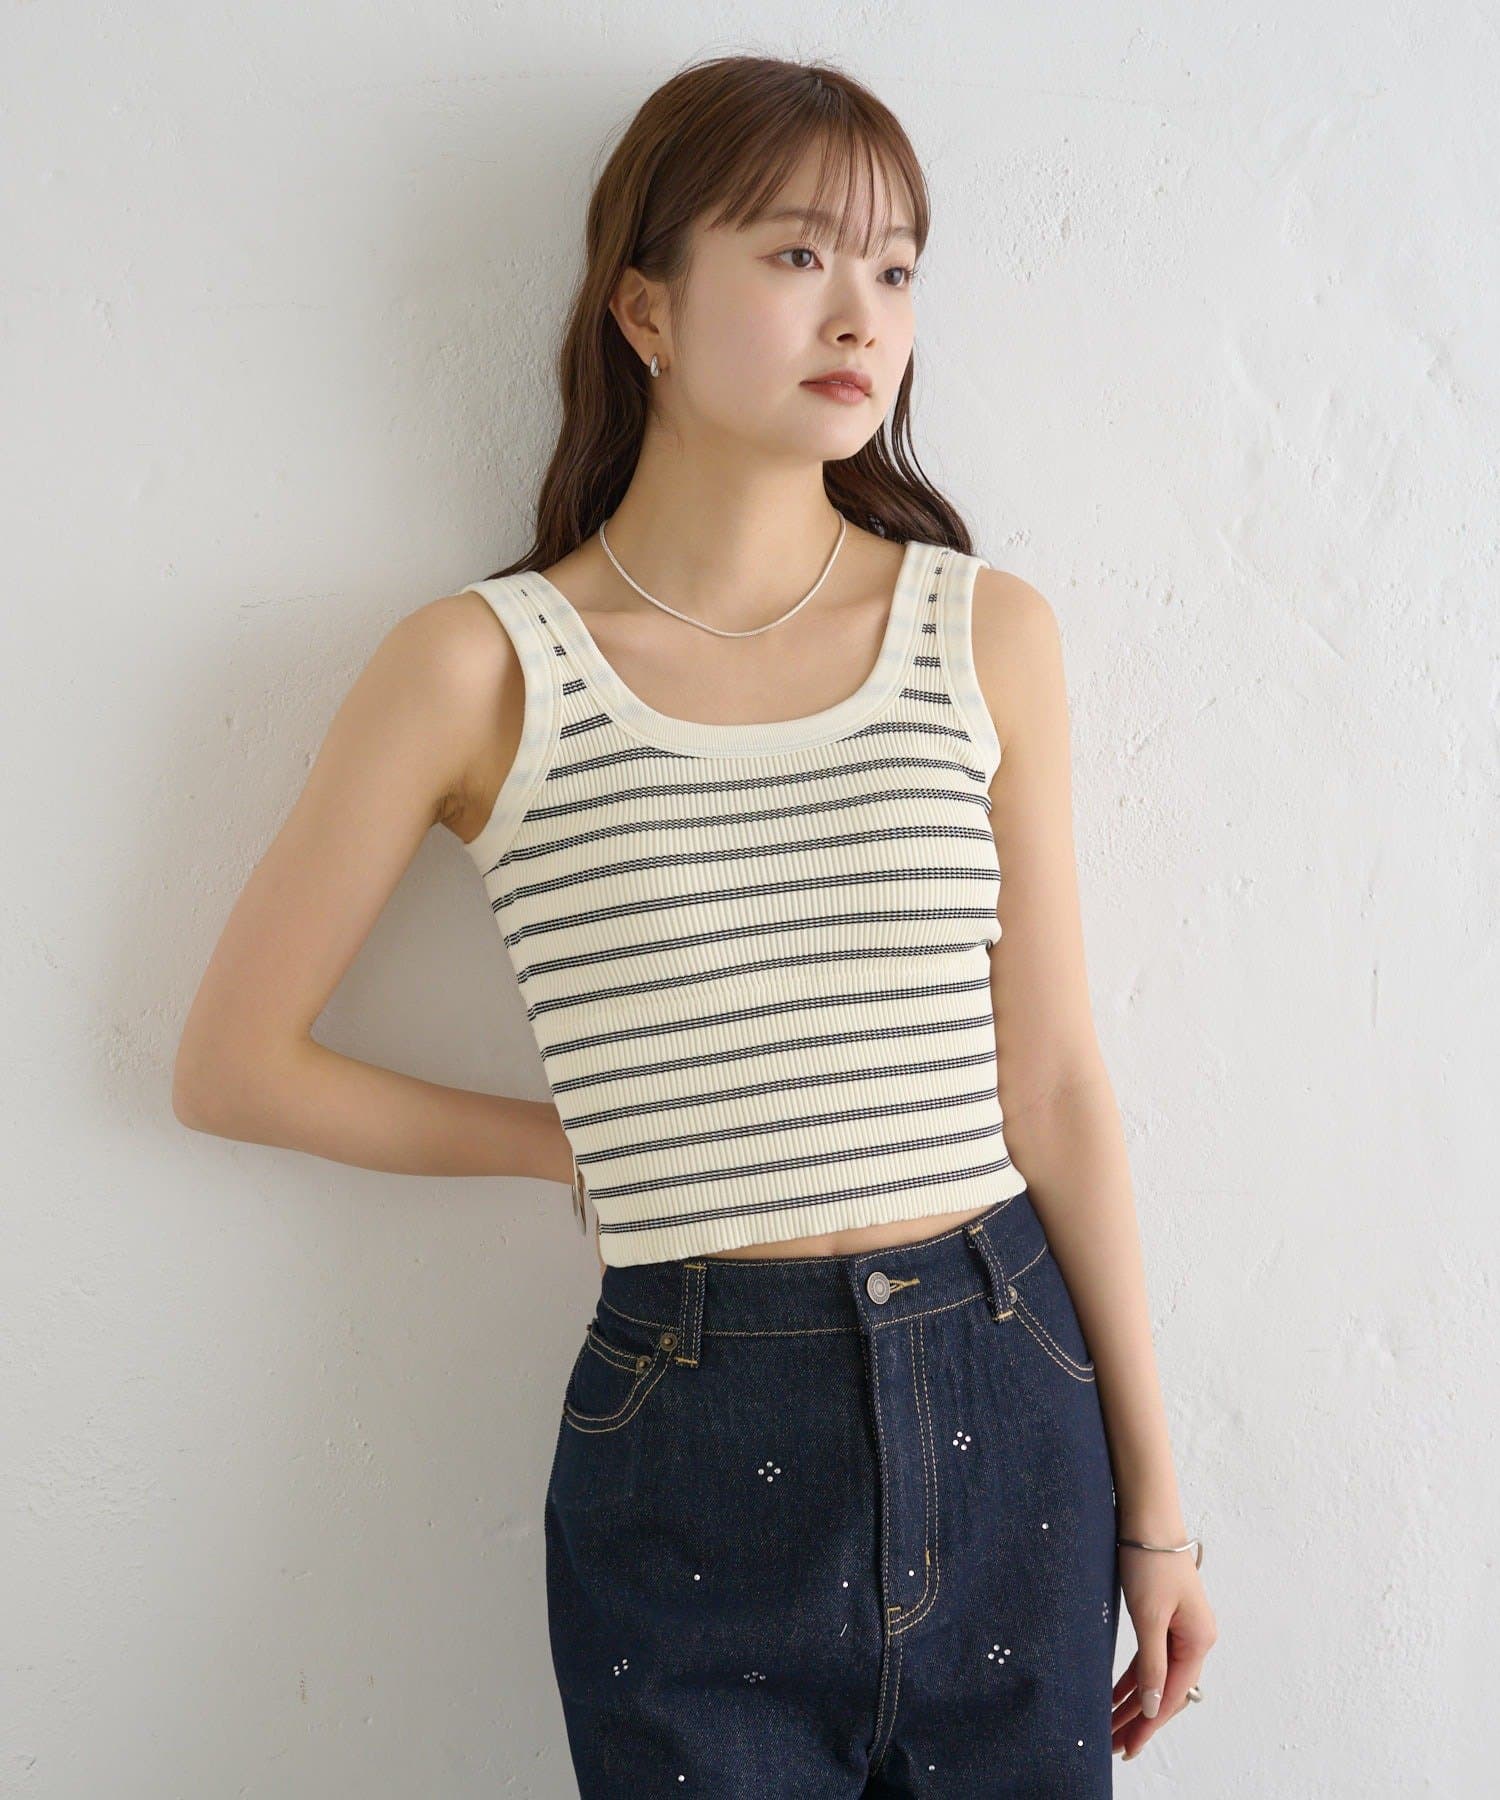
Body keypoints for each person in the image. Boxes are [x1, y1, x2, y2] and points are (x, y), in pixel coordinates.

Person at [173, 51, 1216, 1796]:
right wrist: (575, 1144)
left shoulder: (985, 632)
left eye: (896, 268)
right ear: (644, 308)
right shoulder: (481, 667)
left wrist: (1159, 1510)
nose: (863, 314)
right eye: (799, 255)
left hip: (1009, 1376)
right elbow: (233, 1068)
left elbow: (1055, 1089)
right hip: (692, 1405)